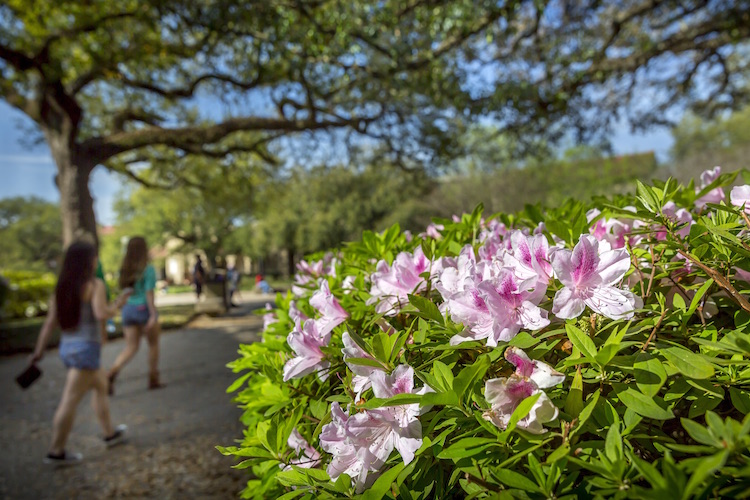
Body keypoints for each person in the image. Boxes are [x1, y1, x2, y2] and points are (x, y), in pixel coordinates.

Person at [31, 241, 131, 466]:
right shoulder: (94, 285)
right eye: (94, 256)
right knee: (70, 399)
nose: (96, 260)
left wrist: (38, 352)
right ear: (87, 260)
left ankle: (109, 433)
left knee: (101, 386)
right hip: (85, 350)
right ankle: (56, 452)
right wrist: (118, 304)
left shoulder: (62, 287)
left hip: (68, 348)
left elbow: (50, 323)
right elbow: (101, 313)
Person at [107, 236, 163, 394]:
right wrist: (153, 315)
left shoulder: (125, 270)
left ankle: (111, 372)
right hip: (143, 309)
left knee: (131, 347)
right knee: (153, 345)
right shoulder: (148, 269)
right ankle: (153, 378)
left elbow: (124, 292)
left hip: (128, 310)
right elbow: (149, 294)